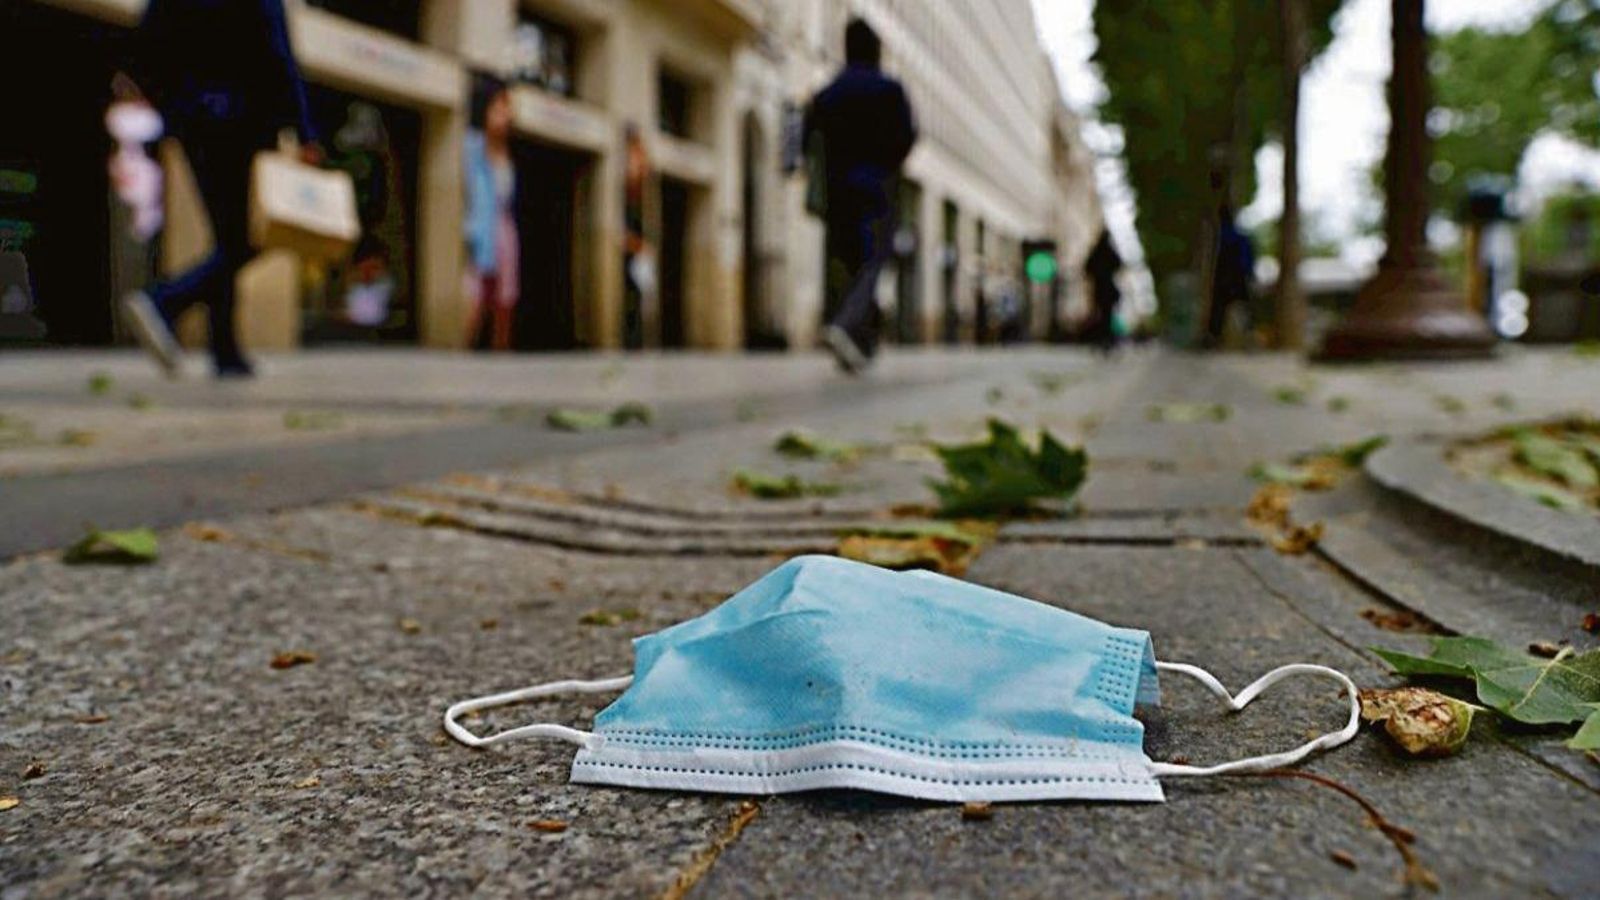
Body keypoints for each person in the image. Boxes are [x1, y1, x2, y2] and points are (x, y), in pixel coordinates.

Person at [119, 0, 321, 379]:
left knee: (227, 236)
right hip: (243, 122)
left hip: (195, 123)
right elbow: (278, 53)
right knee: (246, 240)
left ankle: (225, 349)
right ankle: (165, 300)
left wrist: (173, 108)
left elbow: (145, 45)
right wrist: (305, 131)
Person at [804, 18, 917, 374]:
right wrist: (887, 163)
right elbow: (907, 136)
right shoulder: (889, 90)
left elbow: (809, 137)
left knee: (848, 262)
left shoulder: (828, 93)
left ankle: (858, 343)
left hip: (838, 190)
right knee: (873, 262)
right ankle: (845, 323)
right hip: (876, 187)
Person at [463, 75, 519, 351]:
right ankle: (463, 354)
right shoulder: (471, 146)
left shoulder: (508, 152)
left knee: (505, 299)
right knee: (474, 297)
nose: (506, 114)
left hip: (504, 229)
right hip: (477, 228)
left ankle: (501, 356)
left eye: (508, 108)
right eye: (500, 107)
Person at [1206, 203, 1256, 349]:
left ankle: (1214, 338)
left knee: (1218, 309)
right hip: (1239, 278)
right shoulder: (1241, 237)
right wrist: (1250, 274)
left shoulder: (1218, 238)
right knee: (1245, 308)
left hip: (1222, 278)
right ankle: (1249, 337)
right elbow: (1247, 258)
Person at [1084, 229, 1122, 354]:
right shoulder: (1110, 251)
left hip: (1098, 289)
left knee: (1099, 315)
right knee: (1107, 316)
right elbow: (1119, 264)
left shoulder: (1096, 252)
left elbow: (1087, 268)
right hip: (1107, 289)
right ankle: (1106, 340)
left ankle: (1100, 340)